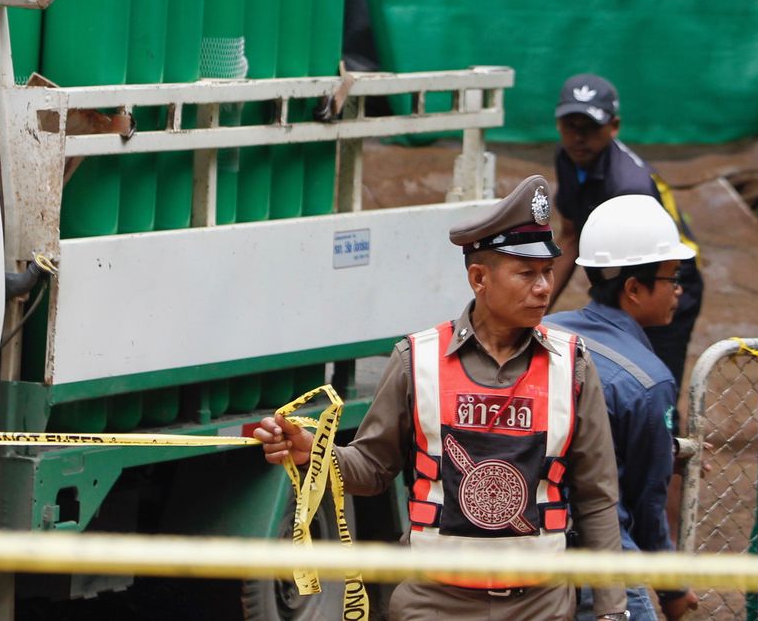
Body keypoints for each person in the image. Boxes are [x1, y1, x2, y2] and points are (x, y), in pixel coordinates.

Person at [255, 175, 630, 621]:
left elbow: (597, 497)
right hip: (433, 605)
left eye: (548, 271)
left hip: (541, 606)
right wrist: (314, 456)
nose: (545, 287)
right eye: (526, 273)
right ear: (479, 278)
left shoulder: (573, 366)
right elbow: (373, 469)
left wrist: (611, 612)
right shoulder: (417, 359)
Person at [545, 194, 699, 621]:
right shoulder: (647, 381)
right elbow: (648, 505)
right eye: (672, 277)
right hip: (603, 563)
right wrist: (672, 590)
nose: (679, 290)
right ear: (634, 288)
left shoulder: (545, 334)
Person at [548, 74, 703, 390]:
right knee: (609, 376)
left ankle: (667, 436)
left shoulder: (629, 187)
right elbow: (571, 235)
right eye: (570, 126)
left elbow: (637, 278)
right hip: (622, 280)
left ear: (614, 126)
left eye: (589, 127)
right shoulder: (567, 158)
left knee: (654, 381)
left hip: (665, 280)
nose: (579, 137)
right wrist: (537, 301)